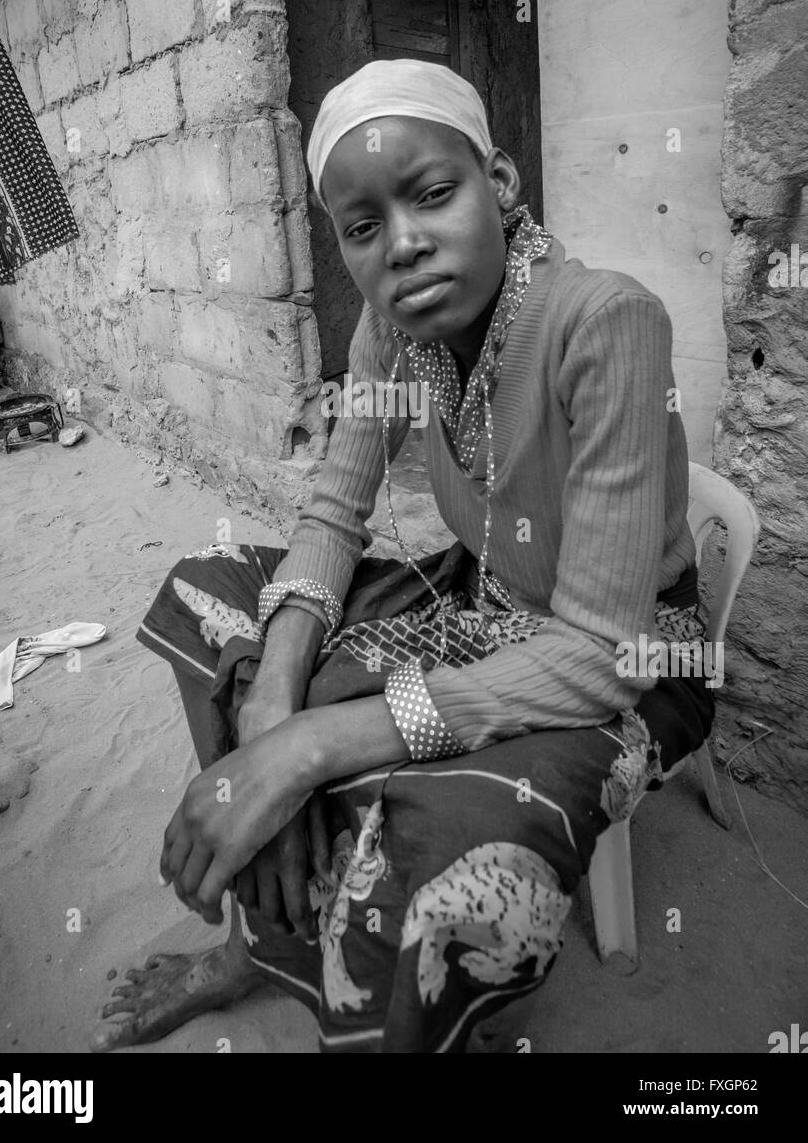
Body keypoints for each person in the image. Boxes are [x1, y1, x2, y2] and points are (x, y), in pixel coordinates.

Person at [93, 60, 713, 1054]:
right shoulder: (390, 330)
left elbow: (600, 652)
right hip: (483, 599)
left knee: (459, 851)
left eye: (432, 194)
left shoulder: (606, 324)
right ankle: (262, 937)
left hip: (634, 660)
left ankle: (403, 1025)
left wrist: (305, 745)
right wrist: (272, 700)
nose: (405, 243)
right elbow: (334, 512)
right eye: (361, 225)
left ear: (499, 184)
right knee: (213, 599)